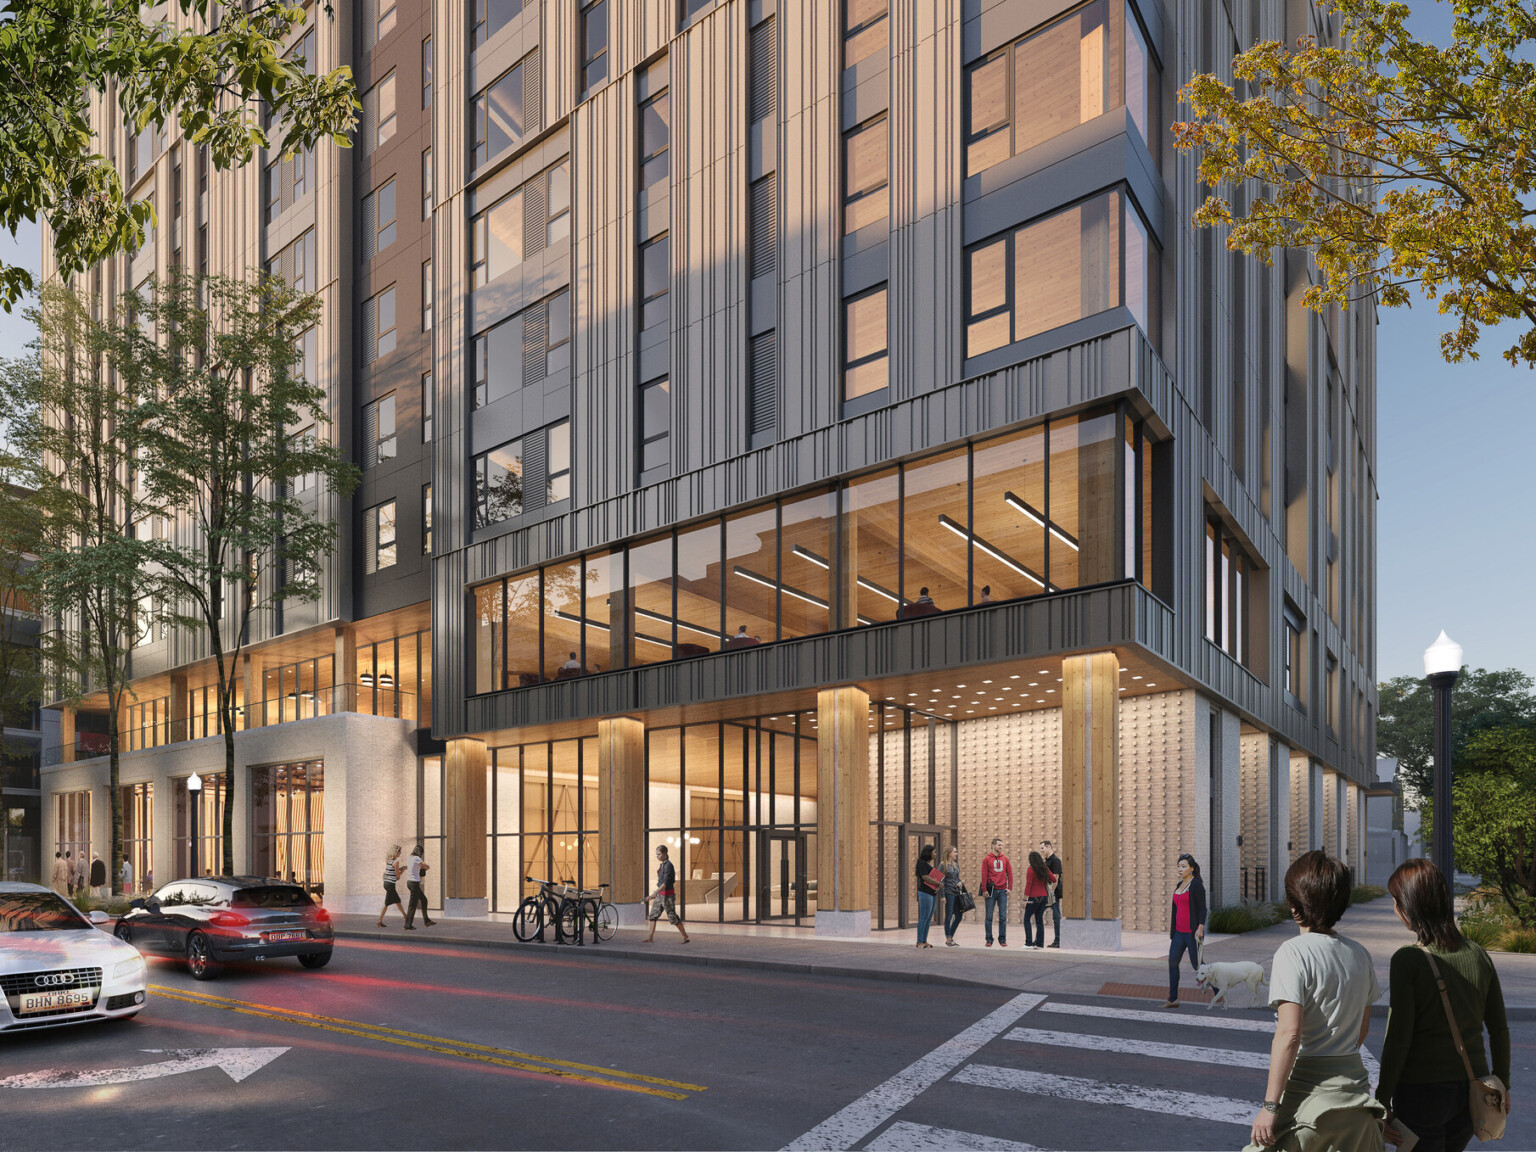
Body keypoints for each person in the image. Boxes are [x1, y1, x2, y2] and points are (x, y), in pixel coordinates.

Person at [1245, 850, 1387, 1152]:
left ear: (1295, 906)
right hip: (1357, 1106)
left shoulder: (1292, 953)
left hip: (1307, 1106)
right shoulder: (1360, 954)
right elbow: (1361, 1032)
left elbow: (1290, 1034)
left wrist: (1270, 1108)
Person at [1377, 858, 1511, 1152]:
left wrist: (1382, 1098)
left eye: (1397, 902)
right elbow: (1499, 1029)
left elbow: (1398, 1039)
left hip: (1420, 1094)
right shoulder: (1478, 954)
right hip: (1472, 1093)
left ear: (1409, 907)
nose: (1395, 910)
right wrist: (1503, 1087)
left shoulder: (1407, 961)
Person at [1162, 852, 1207, 1007]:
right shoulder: (1178, 886)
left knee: (1198, 965)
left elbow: (1202, 909)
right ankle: (1173, 999)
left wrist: (1200, 927)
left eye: (1184, 866)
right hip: (1178, 934)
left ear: (1192, 868)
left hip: (1191, 933)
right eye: (1178, 867)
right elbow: (1175, 910)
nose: (1180, 869)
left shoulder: (1196, 885)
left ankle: (1218, 988)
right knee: (1172, 962)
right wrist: (1173, 931)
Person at [643, 844, 690, 943]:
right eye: (656, 855)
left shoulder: (669, 866)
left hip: (668, 896)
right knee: (653, 915)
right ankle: (650, 937)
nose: (657, 857)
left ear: (664, 853)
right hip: (660, 895)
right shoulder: (662, 864)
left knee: (672, 917)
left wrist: (655, 892)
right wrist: (656, 893)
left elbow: (665, 882)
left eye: (659, 854)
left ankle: (684, 936)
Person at [979, 837, 1012, 947]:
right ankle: (989, 939)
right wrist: (984, 889)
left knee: (1002, 916)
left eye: (1001, 845)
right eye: (999, 845)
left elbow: (1010, 874)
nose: (1001, 847)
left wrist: (1009, 888)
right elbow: (984, 875)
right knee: (989, 916)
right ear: (993, 845)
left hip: (1002, 891)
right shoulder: (986, 859)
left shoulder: (1005, 859)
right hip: (991, 891)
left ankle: (1002, 939)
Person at [1022, 851, 1056, 949]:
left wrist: (1024, 900)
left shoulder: (1031, 869)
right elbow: (1054, 879)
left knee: (1027, 919)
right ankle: (1040, 944)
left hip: (1033, 898)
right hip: (1044, 897)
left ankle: (1028, 943)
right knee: (1039, 920)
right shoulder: (1045, 869)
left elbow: (1028, 886)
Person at [403, 844, 436, 929]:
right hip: (414, 883)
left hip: (410, 883)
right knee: (412, 905)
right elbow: (427, 866)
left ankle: (427, 921)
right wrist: (424, 867)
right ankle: (408, 925)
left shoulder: (410, 857)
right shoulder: (417, 858)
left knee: (423, 900)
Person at [377, 845, 408, 928]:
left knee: (397, 901)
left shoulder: (389, 861)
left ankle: (405, 916)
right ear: (396, 852)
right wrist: (403, 870)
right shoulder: (396, 862)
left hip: (386, 883)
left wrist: (401, 868)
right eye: (399, 852)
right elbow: (397, 876)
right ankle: (379, 920)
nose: (400, 853)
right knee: (387, 903)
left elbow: (393, 871)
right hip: (391, 885)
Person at [914, 843, 939, 949]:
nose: (935, 854)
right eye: (934, 852)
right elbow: (925, 877)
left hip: (932, 893)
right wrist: (938, 883)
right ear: (928, 853)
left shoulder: (928, 864)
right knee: (924, 917)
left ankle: (924, 940)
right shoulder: (921, 863)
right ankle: (919, 941)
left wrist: (938, 884)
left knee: (928, 918)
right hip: (925, 893)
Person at [1040, 839, 1063, 948]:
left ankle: (1058, 941)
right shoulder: (1046, 861)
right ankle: (1039, 940)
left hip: (1053, 893)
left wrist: (1051, 893)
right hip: (1046, 893)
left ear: (1049, 847)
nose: (1041, 851)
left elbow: (1056, 878)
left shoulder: (1056, 861)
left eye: (1042, 848)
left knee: (1056, 917)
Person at [940, 844, 964, 947]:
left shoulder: (956, 865)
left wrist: (960, 882)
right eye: (955, 852)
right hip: (948, 893)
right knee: (949, 916)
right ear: (949, 853)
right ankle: (949, 939)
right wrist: (942, 896)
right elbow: (940, 881)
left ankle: (950, 937)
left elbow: (958, 878)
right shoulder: (942, 865)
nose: (956, 854)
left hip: (956, 892)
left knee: (959, 916)